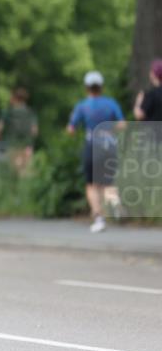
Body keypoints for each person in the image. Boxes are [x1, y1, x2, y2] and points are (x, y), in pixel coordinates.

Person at [67, 71, 126, 233]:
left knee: (92, 185)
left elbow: (71, 129)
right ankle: (115, 203)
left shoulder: (82, 105)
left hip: (91, 146)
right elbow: (122, 124)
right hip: (109, 145)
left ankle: (99, 219)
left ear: (86, 87)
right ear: (101, 87)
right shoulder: (111, 103)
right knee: (107, 182)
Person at [0, 86, 38, 174]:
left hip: (11, 145)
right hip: (27, 147)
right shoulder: (31, 113)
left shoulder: (7, 112)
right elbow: (35, 131)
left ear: (14, 98)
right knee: (26, 173)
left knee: (13, 173)